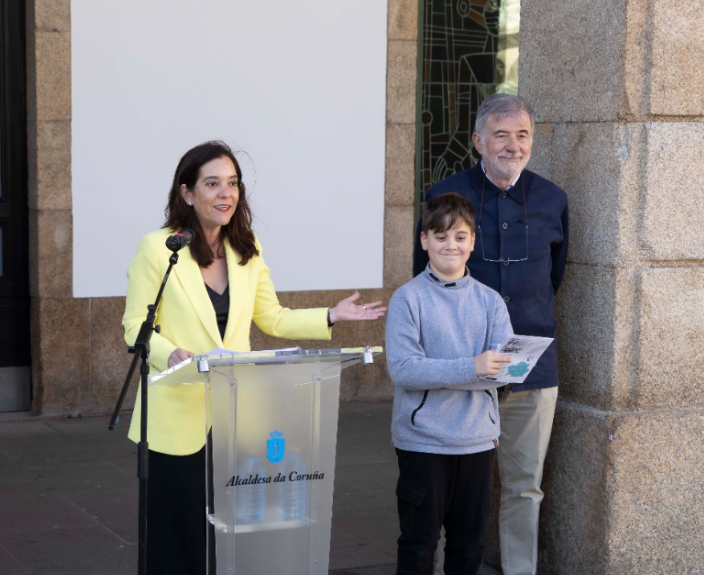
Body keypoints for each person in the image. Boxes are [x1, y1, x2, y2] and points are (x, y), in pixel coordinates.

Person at [123, 141, 387, 574]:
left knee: (231, 530)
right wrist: (171, 354)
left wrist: (331, 315)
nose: (225, 193)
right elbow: (137, 325)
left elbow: (271, 317)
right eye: (213, 184)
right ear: (187, 193)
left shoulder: (246, 249)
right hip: (176, 417)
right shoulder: (158, 249)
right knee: (177, 535)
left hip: (236, 413)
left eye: (233, 183)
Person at [412, 93, 569, 575]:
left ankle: (519, 569)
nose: (512, 145)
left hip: (532, 366)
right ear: (478, 140)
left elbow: (555, 275)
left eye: (522, 134)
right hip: (463, 370)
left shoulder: (553, 199)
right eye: (500, 134)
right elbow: (425, 278)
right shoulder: (446, 192)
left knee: (525, 483)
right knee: (454, 484)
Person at [387, 192, 514, 575]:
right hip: (424, 441)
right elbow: (404, 370)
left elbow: (503, 371)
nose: (450, 245)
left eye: (460, 236)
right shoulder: (407, 300)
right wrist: (475, 368)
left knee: (469, 546)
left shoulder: (492, 302)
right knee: (418, 545)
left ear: (473, 241)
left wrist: (476, 372)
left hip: (477, 440)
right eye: (440, 236)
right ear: (423, 240)